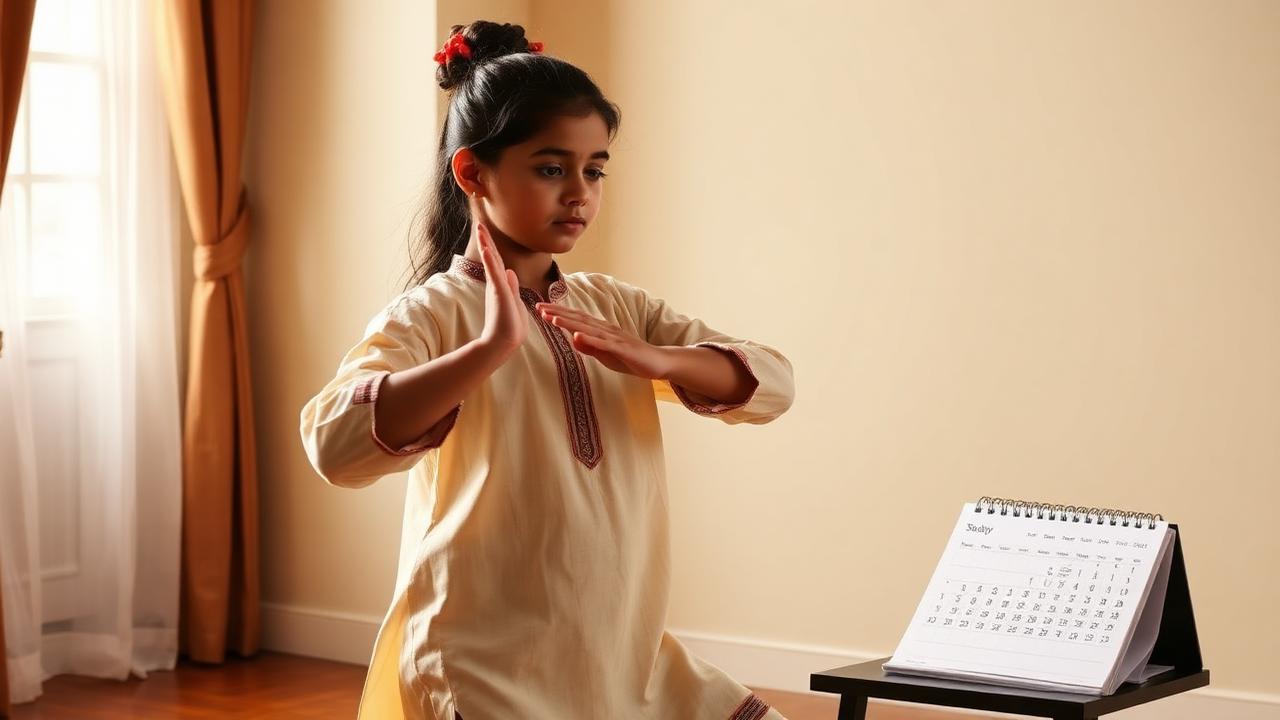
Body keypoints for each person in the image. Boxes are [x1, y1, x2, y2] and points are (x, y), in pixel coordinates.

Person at [299, 20, 795, 720]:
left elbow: (773, 383)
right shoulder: (431, 316)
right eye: (551, 167)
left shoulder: (613, 304)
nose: (580, 194)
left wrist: (654, 359)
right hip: (482, 663)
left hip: (624, 654)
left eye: (594, 170)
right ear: (472, 172)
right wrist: (484, 351)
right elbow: (332, 444)